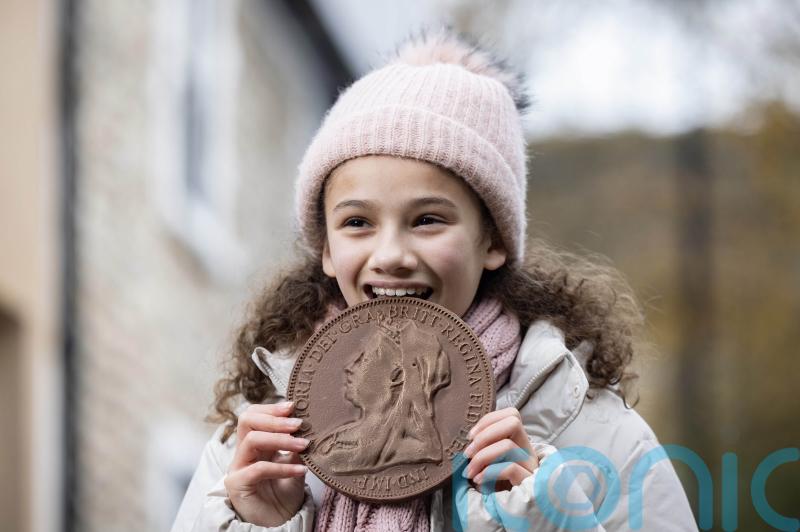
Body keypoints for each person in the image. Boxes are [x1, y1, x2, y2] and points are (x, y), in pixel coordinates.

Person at [171, 28, 697, 531]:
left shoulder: (593, 433)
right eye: (357, 223)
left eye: (427, 220)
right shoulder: (257, 447)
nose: (392, 254)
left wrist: (546, 518)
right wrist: (262, 525)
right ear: (327, 249)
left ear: (492, 241)